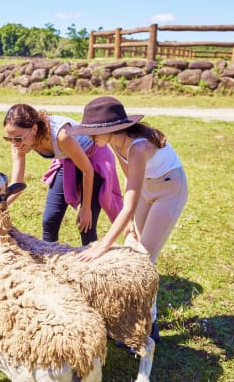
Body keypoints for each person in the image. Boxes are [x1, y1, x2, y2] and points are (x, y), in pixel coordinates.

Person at [70, 96, 188, 342]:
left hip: (170, 189)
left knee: (145, 261)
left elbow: (129, 202)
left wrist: (102, 247)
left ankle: (148, 328)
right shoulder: (114, 142)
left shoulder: (139, 147)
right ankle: (132, 322)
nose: (90, 138)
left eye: (93, 132)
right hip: (145, 188)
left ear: (111, 128)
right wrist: (132, 222)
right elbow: (129, 182)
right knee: (134, 252)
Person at [3, 103, 123, 246]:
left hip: (93, 161)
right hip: (67, 161)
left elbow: (88, 171)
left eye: (17, 138)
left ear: (34, 129)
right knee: (49, 220)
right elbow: (17, 184)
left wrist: (86, 209)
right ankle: (49, 260)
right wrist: (0, 206)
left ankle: (91, 264)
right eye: (8, 138)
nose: (14, 143)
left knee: (86, 225)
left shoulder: (61, 136)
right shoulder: (19, 143)